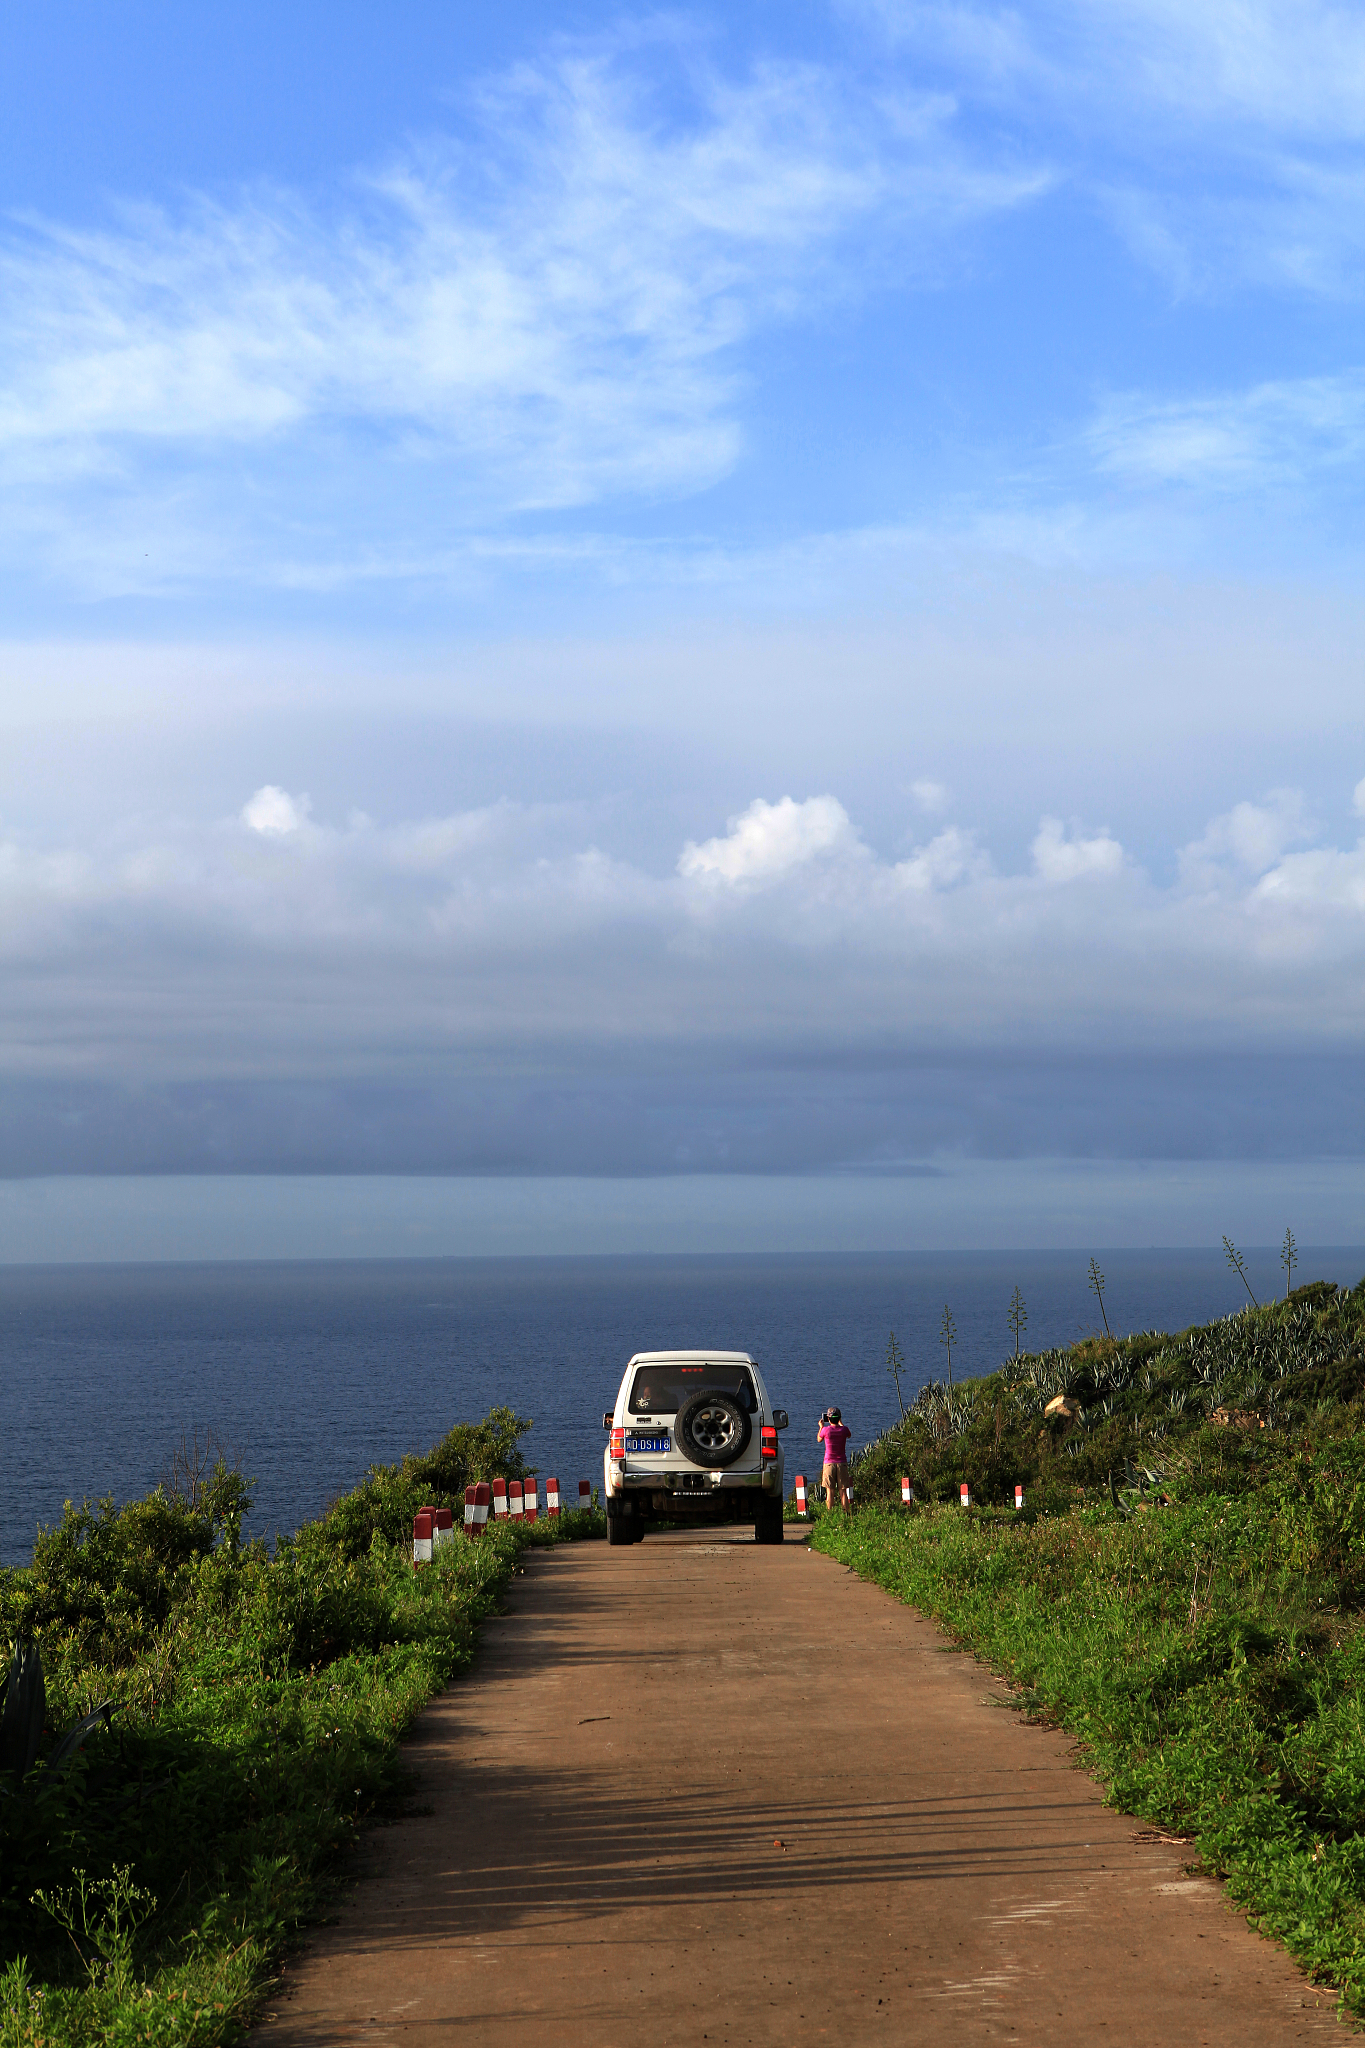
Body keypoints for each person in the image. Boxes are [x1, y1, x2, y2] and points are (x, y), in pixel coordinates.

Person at [817, 1407, 851, 1511]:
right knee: (843, 1492)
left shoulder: (825, 1430)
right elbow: (848, 1435)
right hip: (842, 1463)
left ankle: (829, 1515)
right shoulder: (844, 1430)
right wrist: (841, 1423)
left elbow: (819, 1439)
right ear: (839, 1418)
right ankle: (846, 1514)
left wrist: (821, 1427)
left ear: (828, 1418)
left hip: (829, 1463)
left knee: (830, 1492)